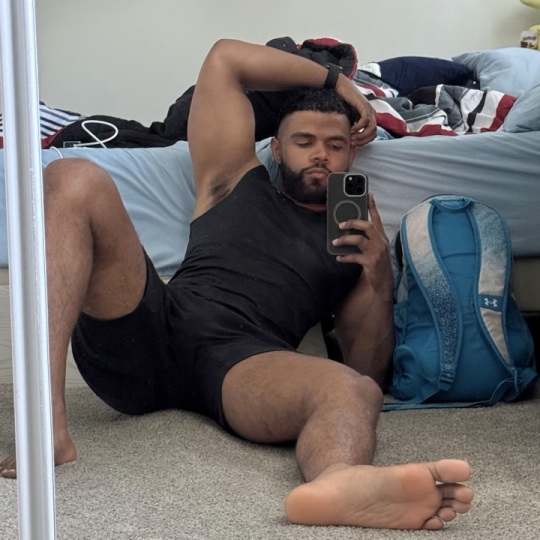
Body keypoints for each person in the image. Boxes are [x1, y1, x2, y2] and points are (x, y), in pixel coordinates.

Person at [1, 39, 473, 530]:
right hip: (151, 327)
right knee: (72, 175)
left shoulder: (354, 244)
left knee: (352, 390)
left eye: (335, 146)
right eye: (305, 141)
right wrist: (338, 82)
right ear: (276, 149)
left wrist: (378, 277)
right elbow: (225, 59)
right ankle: (45, 422)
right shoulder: (231, 178)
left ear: (351, 153)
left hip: (244, 365)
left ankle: (338, 482)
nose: (320, 155)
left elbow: (366, 370)